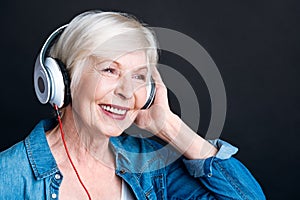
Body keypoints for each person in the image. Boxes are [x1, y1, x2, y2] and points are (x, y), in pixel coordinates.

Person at [0, 10, 265, 199]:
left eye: (138, 76)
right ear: (64, 81)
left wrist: (167, 125)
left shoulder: (150, 168)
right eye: (109, 70)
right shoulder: (8, 176)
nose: (127, 92)